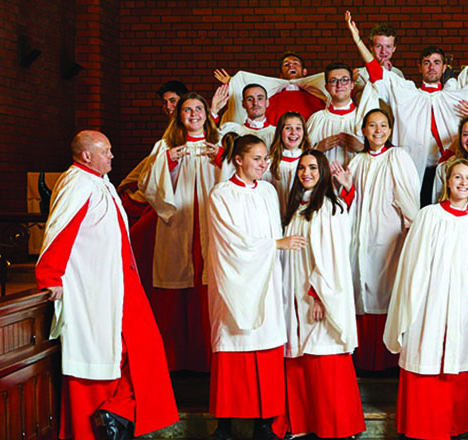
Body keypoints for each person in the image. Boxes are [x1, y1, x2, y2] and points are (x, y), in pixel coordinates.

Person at [36, 131, 178, 440]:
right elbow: (60, 231)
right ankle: (112, 418)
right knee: (109, 354)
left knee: (147, 348)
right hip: (97, 284)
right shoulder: (77, 183)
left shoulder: (99, 183)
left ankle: (118, 412)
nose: (112, 156)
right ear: (86, 155)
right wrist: (51, 276)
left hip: (119, 281)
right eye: (106, 151)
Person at [345, 11, 468, 196]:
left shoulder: (454, 93)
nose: (431, 67)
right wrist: (357, 40)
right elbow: (376, 73)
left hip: (448, 167)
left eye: (436, 63)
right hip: (412, 166)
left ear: (444, 68)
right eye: (427, 62)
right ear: (419, 67)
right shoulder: (406, 92)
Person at [383, 159, 468, 439]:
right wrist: (414, 303)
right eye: (457, 177)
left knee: (460, 359)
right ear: (447, 182)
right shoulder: (429, 216)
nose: (462, 183)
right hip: (428, 300)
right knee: (426, 352)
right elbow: (414, 263)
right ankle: (421, 425)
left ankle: (455, 425)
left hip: (461, 301)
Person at [205, 134, 307, 440]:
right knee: (233, 345)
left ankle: (264, 422)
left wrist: (274, 248)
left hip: (267, 281)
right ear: (238, 160)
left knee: (266, 347)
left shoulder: (268, 192)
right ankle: (224, 425)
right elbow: (230, 242)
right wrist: (276, 244)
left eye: (265, 159)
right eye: (256, 159)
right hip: (235, 283)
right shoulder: (221, 195)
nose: (263, 164)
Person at [279, 150, 365, 438]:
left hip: (315, 294)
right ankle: (304, 423)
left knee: (324, 357)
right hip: (294, 290)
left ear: (324, 171)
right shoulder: (297, 207)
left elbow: (332, 256)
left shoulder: (330, 205)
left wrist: (318, 296)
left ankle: (338, 425)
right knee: (300, 356)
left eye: (313, 168)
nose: (306, 173)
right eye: (302, 168)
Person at [139, 92, 223, 372]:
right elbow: (146, 185)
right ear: (179, 116)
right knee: (177, 281)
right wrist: (168, 161)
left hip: (212, 224)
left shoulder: (220, 144)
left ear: (207, 114)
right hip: (177, 224)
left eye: (199, 109)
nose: (194, 114)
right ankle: (176, 361)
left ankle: (210, 358)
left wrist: (222, 159)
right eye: (188, 110)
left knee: (210, 280)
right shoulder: (165, 146)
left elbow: (242, 176)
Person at [333, 108, 420, 372]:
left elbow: (409, 196)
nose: (378, 130)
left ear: (391, 130)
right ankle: (362, 360)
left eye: (383, 126)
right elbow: (348, 202)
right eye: (372, 125)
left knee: (385, 288)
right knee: (361, 286)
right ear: (363, 130)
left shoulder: (398, 156)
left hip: (389, 235)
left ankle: (386, 360)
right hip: (359, 234)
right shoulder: (357, 161)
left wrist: (412, 231)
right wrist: (347, 187)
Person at [118, 80, 189, 222]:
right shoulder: (168, 133)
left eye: (173, 101)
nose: (168, 106)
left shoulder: (190, 125)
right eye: (164, 102)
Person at [218, 52, 328, 125]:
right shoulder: (270, 100)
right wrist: (233, 83)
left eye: (295, 63)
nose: (291, 66)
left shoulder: (318, 97)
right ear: (280, 75)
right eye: (286, 64)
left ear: (304, 72)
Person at [306, 62, 380, 166]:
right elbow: (300, 156)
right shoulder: (316, 119)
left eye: (345, 80)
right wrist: (318, 149)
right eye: (333, 80)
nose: (339, 84)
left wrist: (361, 148)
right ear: (327, 87)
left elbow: (380, 157)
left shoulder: (364, 117)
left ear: (352, 85)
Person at [263, 111, 311, 214]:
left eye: (298, 128)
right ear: (280, 132)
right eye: (288, 128)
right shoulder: (269, 164)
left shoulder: (311, 162)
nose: (293, 133)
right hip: (277, 218)